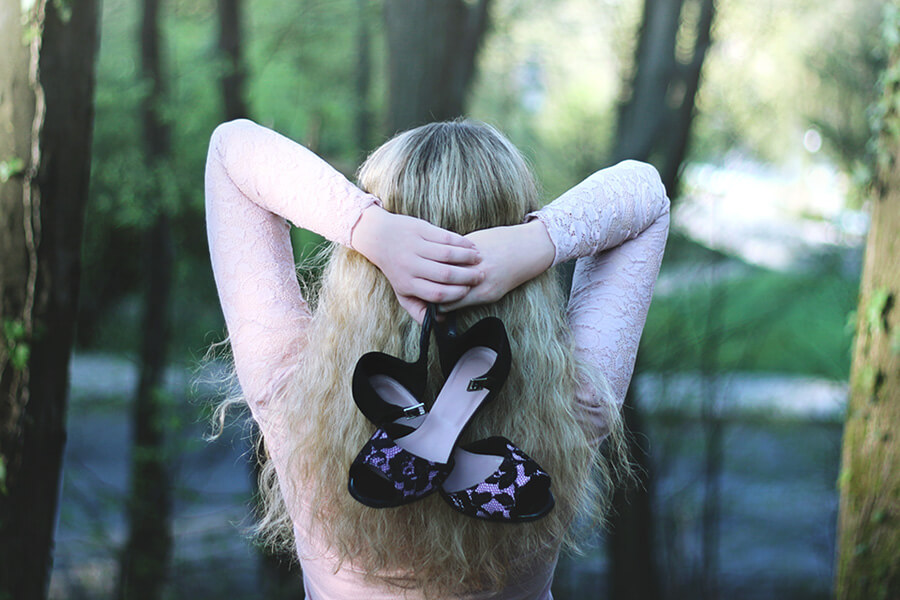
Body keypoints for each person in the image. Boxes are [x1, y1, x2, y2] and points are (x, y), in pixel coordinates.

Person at [205, 118, 669, 599]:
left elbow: (232, 152)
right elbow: (645, 196)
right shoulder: (571, 408)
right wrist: (538, 241)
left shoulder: (298, 404)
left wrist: (367, 227)